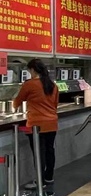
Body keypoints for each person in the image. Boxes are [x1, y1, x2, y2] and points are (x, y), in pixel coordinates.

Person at [13, 59, 59, 188]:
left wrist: (14, 106)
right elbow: (55, 104)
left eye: (29, 71)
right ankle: (49, 178)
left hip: (36, 124)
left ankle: (40, 181)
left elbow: (17, 101)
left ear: (33, 70)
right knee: (49, 151)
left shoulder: (30, 84)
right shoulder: (53, 85)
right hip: (52, 123)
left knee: (39, 153)